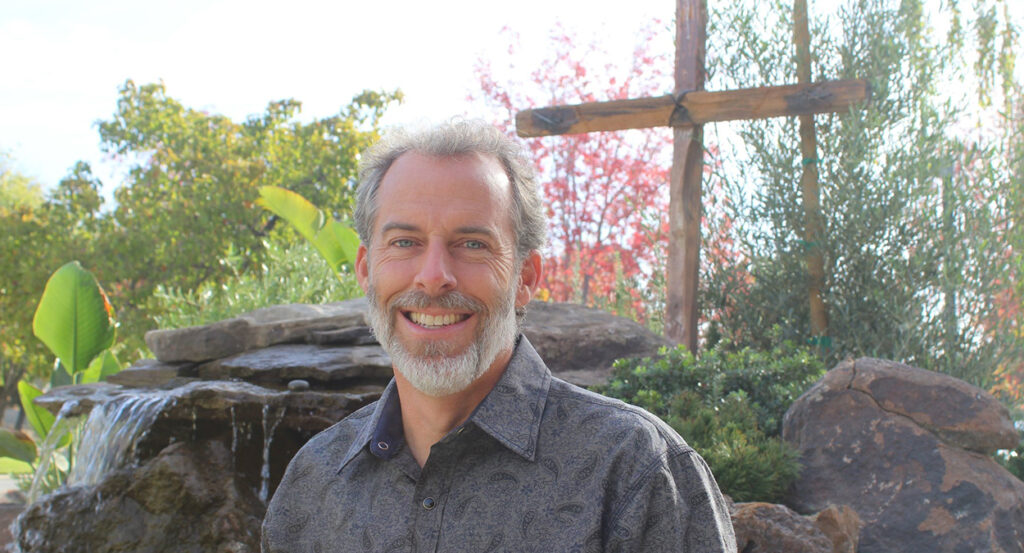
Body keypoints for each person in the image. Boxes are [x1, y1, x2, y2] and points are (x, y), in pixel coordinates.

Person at [261, 120, 737, 552]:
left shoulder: (636, 470)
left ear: (525, 277)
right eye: (404, 242)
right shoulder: (312, 483)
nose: (433, 277)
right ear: (366, 271)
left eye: (472, 244)